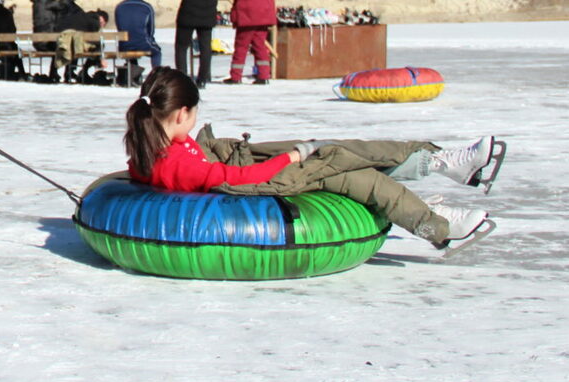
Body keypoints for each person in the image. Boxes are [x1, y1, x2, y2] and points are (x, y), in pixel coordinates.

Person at [124, 68, 498, 249]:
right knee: (344, 167)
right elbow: (236, 180)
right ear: (179, 114)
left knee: (328, 147)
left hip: (233, 163)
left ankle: (438, 162)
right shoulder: (176, 160)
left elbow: (163, 168)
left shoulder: (153, 145)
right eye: (192, 116)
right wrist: (288, 158)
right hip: (251, 182)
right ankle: (436, 225)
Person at [223, 0, 276, 84]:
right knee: (260, 46)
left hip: (248, 14)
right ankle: (264, 76)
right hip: (265, 13)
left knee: (241, 46)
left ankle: (236, 76)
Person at [112, 0, 161, 87]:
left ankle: (133, 75)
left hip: (124, 45)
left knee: (130, 44)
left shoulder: (120, 7)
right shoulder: (147, 7)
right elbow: (151, 29)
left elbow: (119, 26)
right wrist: (151, 40)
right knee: (157, 52)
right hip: (142, 43)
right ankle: (156, 78)